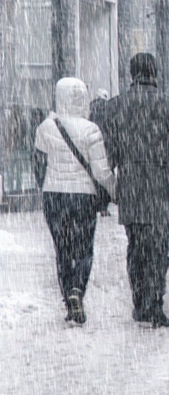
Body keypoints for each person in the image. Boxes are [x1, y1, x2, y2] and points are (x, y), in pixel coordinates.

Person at [101, 53, 169, 329]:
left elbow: (108, 153)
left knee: (136, 244)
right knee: (158, 247)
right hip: (160, 186)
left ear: (131, 74)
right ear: (155, 73)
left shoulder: (116, 107)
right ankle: (155, 302)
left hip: (132, 186)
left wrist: (103, 189)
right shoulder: (168, 106)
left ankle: (140, 300)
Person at [34, 78, 115, 324]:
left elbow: (38, 165)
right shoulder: (91, 129)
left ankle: (68, 296)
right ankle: (77, 291)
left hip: (54, 196)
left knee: (62, 250)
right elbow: (101, 171)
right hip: (84, 197)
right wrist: (114, 190)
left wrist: (46, 187)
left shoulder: (46, 127)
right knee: (83, 250)